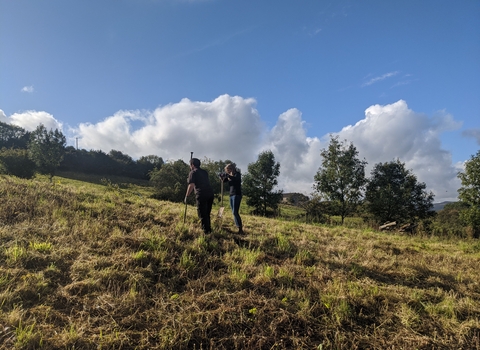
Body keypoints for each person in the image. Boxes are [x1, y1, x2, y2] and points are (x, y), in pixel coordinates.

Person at [185, 158, 214, 234]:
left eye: (190, 165)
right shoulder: (204, 172)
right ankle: (208, 229)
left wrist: (187, 196)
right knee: (207, 213)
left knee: (202, 214)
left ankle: (206, 232)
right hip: (210, 193)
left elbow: (191, 185)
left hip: (201, 194)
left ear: (192, 165)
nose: (190, 166)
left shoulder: (193, 172)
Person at [220, 163, 243, 234]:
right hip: (231, 195)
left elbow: (235, 179)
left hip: (237, 194)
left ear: (231, 169)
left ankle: (240, 228)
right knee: (234, 212)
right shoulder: (229, 176)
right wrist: (221, 176)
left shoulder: (237, 174)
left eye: (227, 170)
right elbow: (224, 180)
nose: (227, 172)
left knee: (235, 212)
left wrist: (228, 175)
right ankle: (238, 227)